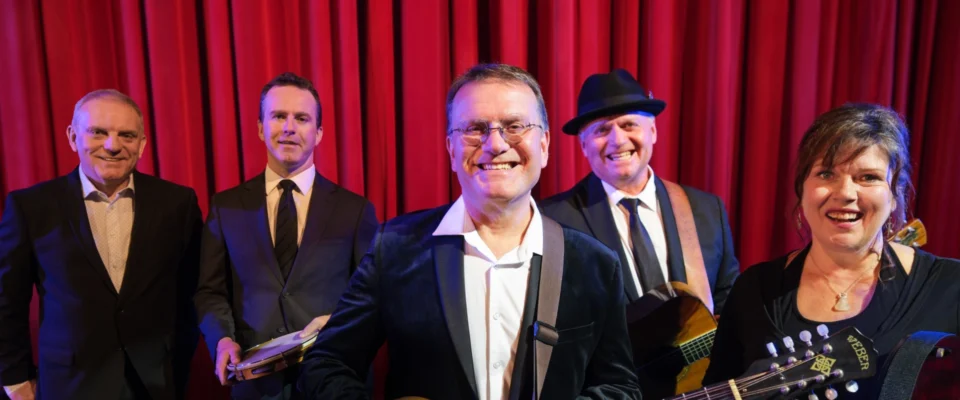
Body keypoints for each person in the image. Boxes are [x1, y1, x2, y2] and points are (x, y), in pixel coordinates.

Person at [297, 63, 640, 399]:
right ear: (450, 149)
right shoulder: (395, 248)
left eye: (515, 125)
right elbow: (325, 364)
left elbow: (620, 387)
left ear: (545, 146)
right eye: (475, 128)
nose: (495, 144)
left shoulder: (595, 264)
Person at [703, 104, 960, 398]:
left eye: (868, 177)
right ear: (802, 190)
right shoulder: (755, 290)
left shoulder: (950, 287)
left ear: (895, 194)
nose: (845, 193)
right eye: (826, 174)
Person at [0, 89, 202, 399]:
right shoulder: (31, 207)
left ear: (142, 144)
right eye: (98, 132)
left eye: (127, 135)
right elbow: (6, 301)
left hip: (155, 384)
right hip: (68, 385)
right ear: (72, 136)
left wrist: (177, 365)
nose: (113, 145)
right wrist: (15, 381)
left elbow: (192, 292)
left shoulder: (177, 203)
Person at [195, 72, 378, 400]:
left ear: (319, 132)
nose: (289, 127)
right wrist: (222, 339)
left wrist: (337, 322)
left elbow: (373, 296)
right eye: (279, 116)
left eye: (302, 118)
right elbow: (210, 291)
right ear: (261, 128)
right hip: (255, 385)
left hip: (333, 381)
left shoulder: (356, 210)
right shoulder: (225, 207)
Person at [541, 69, 739, 314]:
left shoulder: (707, 210)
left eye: (629, 125)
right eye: (602, 130)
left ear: (652, 132)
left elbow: (728, 304)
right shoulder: (553, 222)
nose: (618, 140)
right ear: (583, 145)